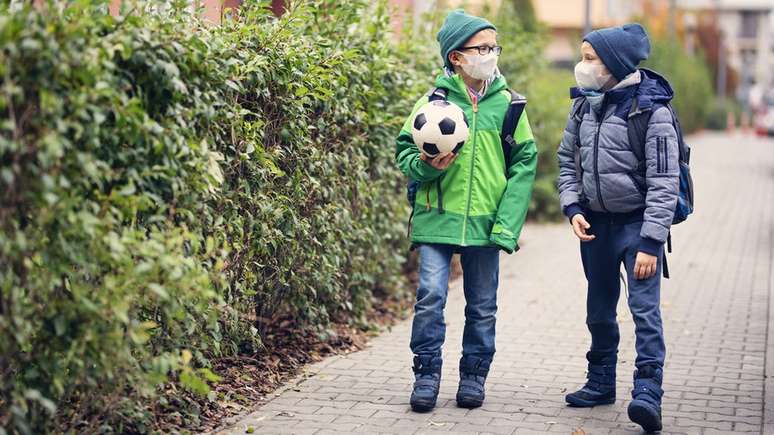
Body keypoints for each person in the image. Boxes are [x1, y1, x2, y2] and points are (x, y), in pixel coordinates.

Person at [394, 9, 537, 412]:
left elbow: (524, 164)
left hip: (486, 225)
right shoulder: (432, 103)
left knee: (482, 305)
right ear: (457, 56)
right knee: (430, 296)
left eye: (494, 46)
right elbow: (405, 151)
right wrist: (425, 166)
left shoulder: (508, 105)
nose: (491, 54)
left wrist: (506, 225)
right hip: (436, 217)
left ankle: (474, 375)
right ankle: (426, 373)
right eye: (483, 47)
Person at [556, 23, 680, 433]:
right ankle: (600, 382)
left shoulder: (651, 110)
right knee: (599, 310)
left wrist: (650, 241)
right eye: (583, 56)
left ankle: (648, 392)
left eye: (590, 58)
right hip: (595, 227)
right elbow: (566, 162)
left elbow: (665, 183)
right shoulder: (583, 106)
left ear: (613, 63)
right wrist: (572, 206)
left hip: (637, 228)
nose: (582, 65)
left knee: (644, 311)